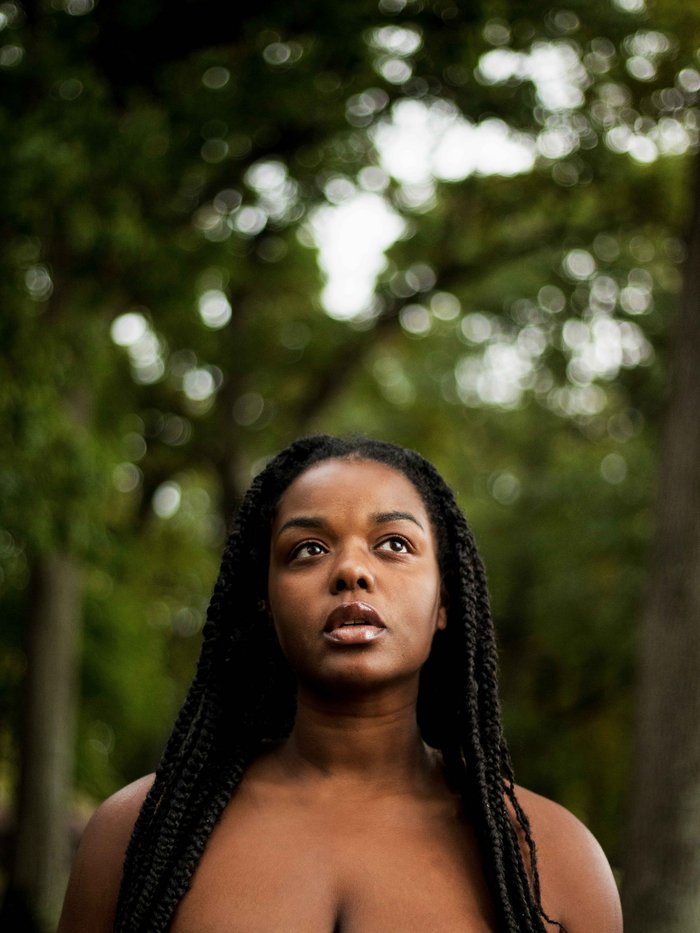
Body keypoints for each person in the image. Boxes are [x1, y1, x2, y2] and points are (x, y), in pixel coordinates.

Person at [57, 434, 623, 932]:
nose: (352, 570)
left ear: (446, 598)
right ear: (265, 602)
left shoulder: (554, 858)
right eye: (309, 549)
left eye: (394, 544)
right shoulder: (138, 835)